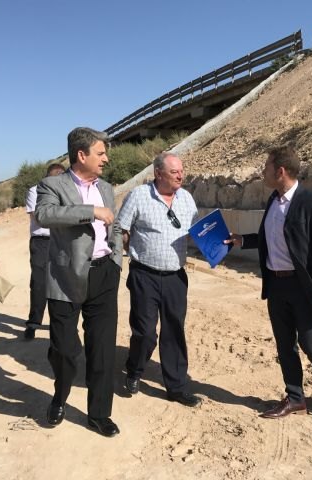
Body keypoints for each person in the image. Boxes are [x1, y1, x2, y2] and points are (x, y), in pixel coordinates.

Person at [225, 145, 312, 421]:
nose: (263, 172)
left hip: (303, 287)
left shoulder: (311, 202)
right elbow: (271, 238)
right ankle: (295, 398)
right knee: (284, 344)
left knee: (311, 341)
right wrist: (243, 240)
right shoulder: (273, 200)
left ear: (280, 171)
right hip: (277, 285)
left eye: (266, 167)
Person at [35, 127, 122, 437]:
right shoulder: (52, 184)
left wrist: (116, 261)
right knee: (65, 350)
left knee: (102, 350)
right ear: (81, 155)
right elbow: (44, 215)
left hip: (103, 274)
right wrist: (91, 212)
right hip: (65, 278)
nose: (106, 159)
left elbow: (115, 224)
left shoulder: (108, 188)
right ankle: (60, 396)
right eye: (101, 153)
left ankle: (99, 414)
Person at [117, 152, 201, 407]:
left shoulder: (186, 199)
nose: (180, 175)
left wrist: (218, 241)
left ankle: (176, 387)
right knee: (144, 331)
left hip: (176, 275)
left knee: (174, 330)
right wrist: (128, 251)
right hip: (145, 275)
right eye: (175, 171)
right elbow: (121, 228)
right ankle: (134, 369)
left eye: (181, 171)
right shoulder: (139, 196)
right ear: (158, 173)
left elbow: (197, 232)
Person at [23, 162, 65, 340]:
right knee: (39, 282)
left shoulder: (67, 191)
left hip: (62, 240)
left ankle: (60, 323)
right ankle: (34, 322)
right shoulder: (35, 191)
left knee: (63, 282)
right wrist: (64, 216)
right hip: (41, 242)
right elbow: (39, 218)